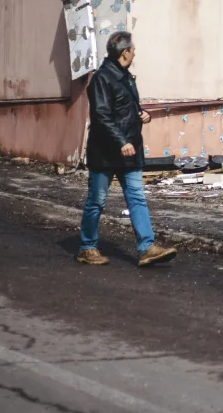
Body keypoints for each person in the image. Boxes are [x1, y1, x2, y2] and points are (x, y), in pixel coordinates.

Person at [76, 32, 177, 267]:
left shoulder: (126, 77)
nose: (134, 54)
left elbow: (125, 108)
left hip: (129, 151)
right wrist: (122, 141)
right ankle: (87, 247)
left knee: (137, 198)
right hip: (105, 152)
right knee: (96, 201)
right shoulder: (102, 78)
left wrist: (142, 114)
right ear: (124, 52)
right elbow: (101, 115)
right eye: (133, 50)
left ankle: (147, 247)